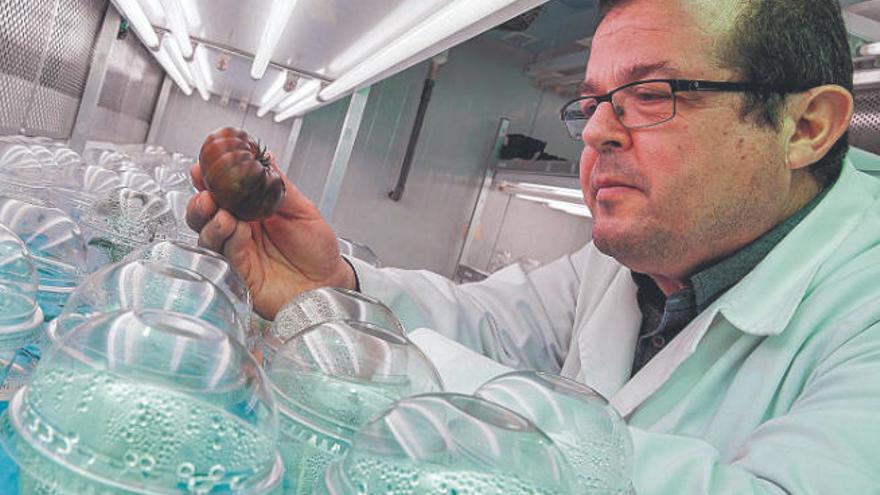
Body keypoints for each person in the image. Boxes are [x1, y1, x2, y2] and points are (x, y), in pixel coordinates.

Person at [187, 0, 880, 492]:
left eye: (651, 94)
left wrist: (417, 380)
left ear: (806, 127)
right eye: (594, 102)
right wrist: (333, 289)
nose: (597, 132)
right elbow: (484, 324)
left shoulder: (863, 301)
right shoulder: (627, 266)